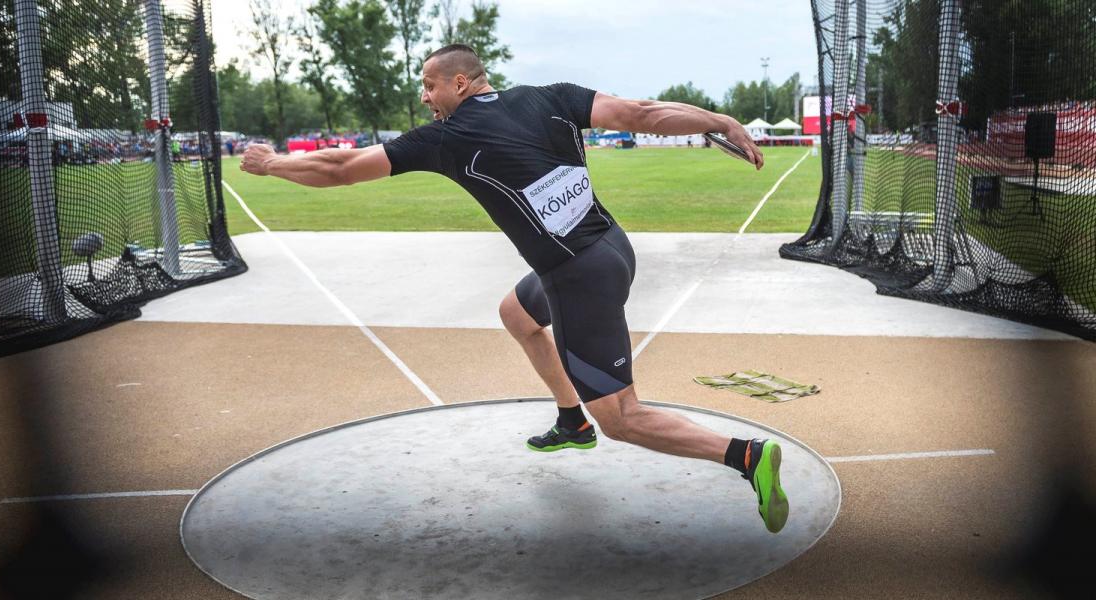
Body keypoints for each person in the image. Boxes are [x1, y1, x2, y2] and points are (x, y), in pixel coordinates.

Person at [240, 44, 788, 533]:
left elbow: (340, 169)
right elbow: (641, 114)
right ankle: (571, 419)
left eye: (429, 86)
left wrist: (272, 164)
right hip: (612, 248)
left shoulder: (449, 137)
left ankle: (745, 457)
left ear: (459, 83)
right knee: (517, 314)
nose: (426, 97)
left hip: (576, 276)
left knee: (622, 418)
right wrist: (719, 119)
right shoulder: (549, 96)